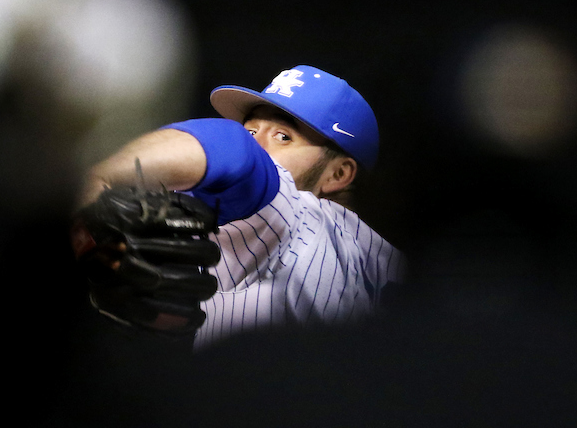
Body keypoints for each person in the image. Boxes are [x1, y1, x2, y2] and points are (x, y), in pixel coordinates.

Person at [80, 65, 404, 347]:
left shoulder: (306, 217)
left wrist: (88, 184)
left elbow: (234, 151)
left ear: (339, 174)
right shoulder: (389, 263)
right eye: (251, 129)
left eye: (283, 136)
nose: (253, 141)